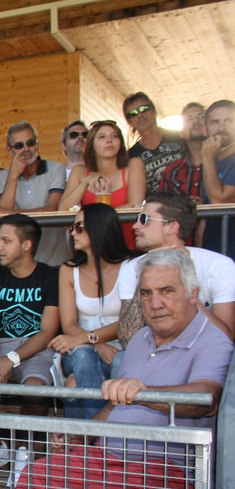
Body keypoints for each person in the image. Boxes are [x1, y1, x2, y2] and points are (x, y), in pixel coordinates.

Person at [11, 249, 232, 489]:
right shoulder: (142, 337)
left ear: (193, 294)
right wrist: (82, 434)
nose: (155, 302)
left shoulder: (213, 339)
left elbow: (206, 398)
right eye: (146, 293)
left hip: (172, 466)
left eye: (167, 291)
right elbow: (116, 403)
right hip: (111, 454)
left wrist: (144, 392)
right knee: (37, 477)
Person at [48, 205, 138, 419]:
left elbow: (129, 322)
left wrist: (94, 341)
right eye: (72, 227)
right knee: (83, 356)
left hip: (121, 343)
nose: (73, 233)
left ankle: (89, 433)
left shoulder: (131, 266)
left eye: (79, 227)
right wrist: (95, 343)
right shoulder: (69, 269)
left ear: (99, 228)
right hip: (80, 344)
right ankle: (98, 431)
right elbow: (68, 324)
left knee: (75, 384)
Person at [117, 193, 235, 346]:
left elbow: (225, 338)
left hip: (203, 349)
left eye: (144, 219)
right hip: (155, 349)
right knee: (121, 358)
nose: (135, 226)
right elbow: (128, 340)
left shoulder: (218, 266)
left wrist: (183, 284)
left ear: (172, 227)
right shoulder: (132, 269)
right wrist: (147, 276)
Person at [0, 214, 59, 416]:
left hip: (36, 348)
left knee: (35, 389)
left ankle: (26, 438)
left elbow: (47, 331)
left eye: (6, 241)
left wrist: (10, 360)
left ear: (26, 245)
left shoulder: (51, 277)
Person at [0, 121, 69, 265]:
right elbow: (4, 216)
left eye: (30, 143)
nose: (26, 149)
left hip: (55, 260)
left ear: (37, 146)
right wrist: (13, 176)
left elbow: (53, 209)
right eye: (19, 145)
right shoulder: (3, 177)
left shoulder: (56, 169)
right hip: (18, 264)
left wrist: (11, 213)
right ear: (9, 151)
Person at [59, 120, 147, 247]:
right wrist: (84, 183)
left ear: (120, 142)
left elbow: (135, 205)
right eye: (102, 137)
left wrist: (93, 219)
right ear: (91, 144)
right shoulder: (80, 171)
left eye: (114, 136)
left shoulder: (134, 164)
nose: (109, 140)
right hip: (94, 246)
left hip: (129, 245)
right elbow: (63, 211)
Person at [124, 92, 186, 195]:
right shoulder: (130, 156)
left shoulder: (181, 137)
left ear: (154, 111)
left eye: (144, 109)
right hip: (154, 204)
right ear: (129, 122)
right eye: (132, 113)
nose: (140, 115)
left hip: (186, 201)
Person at [201, 99, 235, 255]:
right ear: (205, 129)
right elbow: (206, 215)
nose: (222, 128)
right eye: (215, 122)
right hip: (215, 250)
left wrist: (207, 158)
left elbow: (220, 201)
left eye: (229, 121)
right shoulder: (211, 160)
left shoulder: (208, 159)